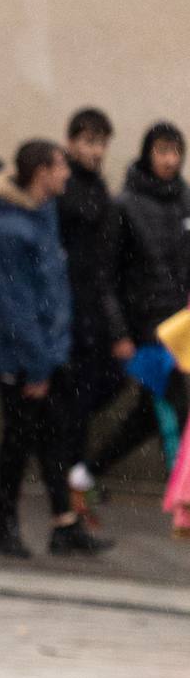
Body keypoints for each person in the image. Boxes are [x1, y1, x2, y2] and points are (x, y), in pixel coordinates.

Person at [0, 139, 114, 559]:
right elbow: (16, 306)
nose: (67, 174)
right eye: (60, 167)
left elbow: (51, 287)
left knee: (56, 438)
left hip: (49, 352)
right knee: (18, 443)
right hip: (21, 358)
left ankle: (64, 524)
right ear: (41, 173)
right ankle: (5, 527)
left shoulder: (43, 212)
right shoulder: (7, 230)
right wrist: (35, 367)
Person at [93, 121, 190, 487]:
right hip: (146, 330)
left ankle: (86, 473)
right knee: (173, 411)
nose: (170, 160)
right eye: (162, 151)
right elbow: (107, 277)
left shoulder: (185, 200)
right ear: (148, 154)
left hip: (182, 328)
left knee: (150, 414)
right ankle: (182, 493)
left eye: (176, 151)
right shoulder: (124, 205)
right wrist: (119, 332)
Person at [57, 108, 124, 508]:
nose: (96, 151)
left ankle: (71, 467)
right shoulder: (64, 187)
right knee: (75, 397)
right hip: (70, 310)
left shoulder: (98, 187)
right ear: (71, 143)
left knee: (103, 385)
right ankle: (69, 473)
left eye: (101, 143)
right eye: (88, 142)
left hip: (95, 310)